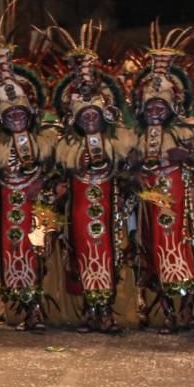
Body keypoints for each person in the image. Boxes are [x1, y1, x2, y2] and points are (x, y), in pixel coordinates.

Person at [0, 4, 59, 332]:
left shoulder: (45, 139)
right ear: (2, 118)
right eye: (11, 115)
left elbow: (57, 167)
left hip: (38, 207)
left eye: (20, 113)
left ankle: (38, 308)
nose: (16, 117)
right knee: (11, 255)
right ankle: (20, 307)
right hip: (10, 209)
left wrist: (46, 182)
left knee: (39, 253)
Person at [51, 21, 137, 334]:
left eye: (94, 115)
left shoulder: (117, 141)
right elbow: (57, 176)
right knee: (81, 255)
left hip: (108, 207)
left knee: (110, 255)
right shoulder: (67, 146)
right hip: (79, 211)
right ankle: (90, 309)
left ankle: (107, 312)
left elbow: (128, 170)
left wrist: (120, 169)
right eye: (84, 116)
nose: (89, 119)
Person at [130, 24, 194, 333]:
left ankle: (187, 310)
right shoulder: (134, 136)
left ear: (172, 106)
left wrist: (187, 158)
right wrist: (135, 169)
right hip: (149, 207)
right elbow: (126, 170)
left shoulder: (187, 130)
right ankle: (164, 312)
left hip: (181, 204)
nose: (156, 110)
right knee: (152, 249)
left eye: (162, 105)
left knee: (183, 250)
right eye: (152, 105)